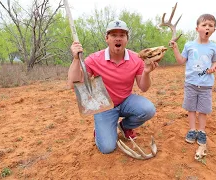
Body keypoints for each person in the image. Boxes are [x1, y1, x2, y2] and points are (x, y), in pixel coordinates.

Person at [67, 20, 158, 154]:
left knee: (148, 109)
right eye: (113, 35)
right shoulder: (94, 59)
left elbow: (144, 88)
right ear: (107, 38)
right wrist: (76, 59)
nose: (118, 38)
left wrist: (146, 72)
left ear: (126, 39)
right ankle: (101, 130)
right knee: (107, 148)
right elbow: (72, 83)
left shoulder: (136, 59)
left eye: (122, 35)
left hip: (126, 101)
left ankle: (124, 126)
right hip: (104, 106)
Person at [169, 14, 216, 145]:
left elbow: (215, 62)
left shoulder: (214, 47)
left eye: (210, 25)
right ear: (197, 29)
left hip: (206, 85)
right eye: (204, 25)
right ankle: (192, 130)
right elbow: (181, 61)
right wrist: (175, 48)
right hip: (190, 83)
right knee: (191, 108)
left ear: (214, 29)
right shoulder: (189, 45)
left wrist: (214, 67)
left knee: (203, 110)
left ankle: (201, 131)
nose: (207, 28)